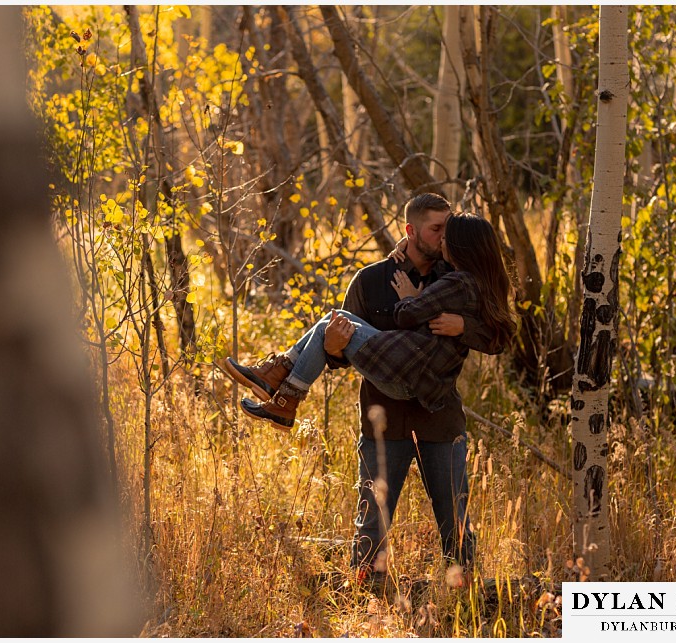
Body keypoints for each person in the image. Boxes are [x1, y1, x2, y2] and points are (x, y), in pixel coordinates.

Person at [217, 194, 514, 584]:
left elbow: (500, 334)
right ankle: (369, 592)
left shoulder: (455, 272)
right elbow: (339, 355)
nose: (444, 238)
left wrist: (464, 326)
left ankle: (465, 589)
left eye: (448, 230)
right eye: (436, 229)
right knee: (372, 515)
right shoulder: (371, 280)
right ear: (411, 231)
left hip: (438, 416)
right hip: (382, 417)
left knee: (454, 514)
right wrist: (336, 346)